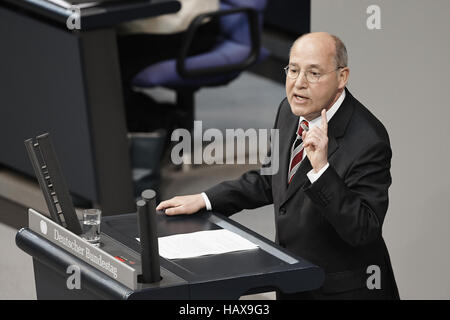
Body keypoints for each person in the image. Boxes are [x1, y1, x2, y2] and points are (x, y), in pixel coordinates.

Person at [156, 32, 400, 300]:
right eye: (293, 70)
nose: (298, 84)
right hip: (293, 280)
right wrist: (206, 199)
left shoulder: (368, 139)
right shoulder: (289, 110)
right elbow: (269, 179)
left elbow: (363, 230)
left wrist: (321, 170)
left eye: (314, 73)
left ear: (342, 77)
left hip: (343, 291)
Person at [116, 0, 220, 132]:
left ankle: (161, 122)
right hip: (157, 23)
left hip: (186, 29)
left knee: (102, 67)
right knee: (95, 58)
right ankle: (158, 120)